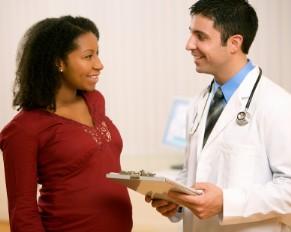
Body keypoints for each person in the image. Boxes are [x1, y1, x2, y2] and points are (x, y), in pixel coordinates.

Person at [146, 0, 291, 231]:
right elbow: (194, 172)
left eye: (200, 36)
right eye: (190, 34)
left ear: (234, 43)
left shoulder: (278, 104)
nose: (189, 45)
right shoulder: (198, 104)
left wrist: (225, 202)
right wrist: (177, 202)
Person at [0, 16, 132, 232]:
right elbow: (21, 210)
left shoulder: (95, 101)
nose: (99, 64)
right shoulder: (24, 129)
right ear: (58, 62)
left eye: (97, 54)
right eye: (88, 56)